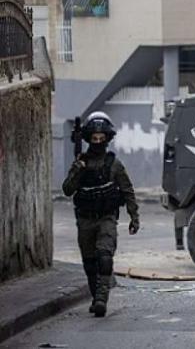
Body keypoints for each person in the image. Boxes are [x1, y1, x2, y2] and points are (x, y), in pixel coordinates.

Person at [62, 112, 140, 317]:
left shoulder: (114, 164)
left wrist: (134, 217)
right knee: (89, 263)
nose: (97, 142)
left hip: (107, 218)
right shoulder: (81, 163)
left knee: (104, 258)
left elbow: (127, 191)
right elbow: (67, 190)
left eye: (101, 138)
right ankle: (95, 294)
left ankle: (101, 299)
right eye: (94, 138)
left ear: (107, 138)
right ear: (88, 139)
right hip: (85, 220)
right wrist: (77, 170)